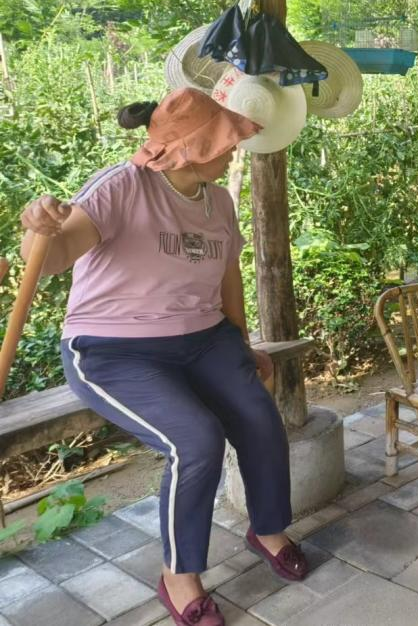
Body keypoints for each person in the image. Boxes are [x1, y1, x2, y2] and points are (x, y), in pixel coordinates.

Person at [18, 89, 308, 626]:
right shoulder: (121, 187)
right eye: (225, 140)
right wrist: (39, 229)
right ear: (190, 149)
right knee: (195, 441)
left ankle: (267, 528)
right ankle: (180, 576)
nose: (234, 148)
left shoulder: (218, 202)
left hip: (205, 339)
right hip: (113, 349)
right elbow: (54, 257)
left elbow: (227, 279)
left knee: (259, 417)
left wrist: (242, 346)